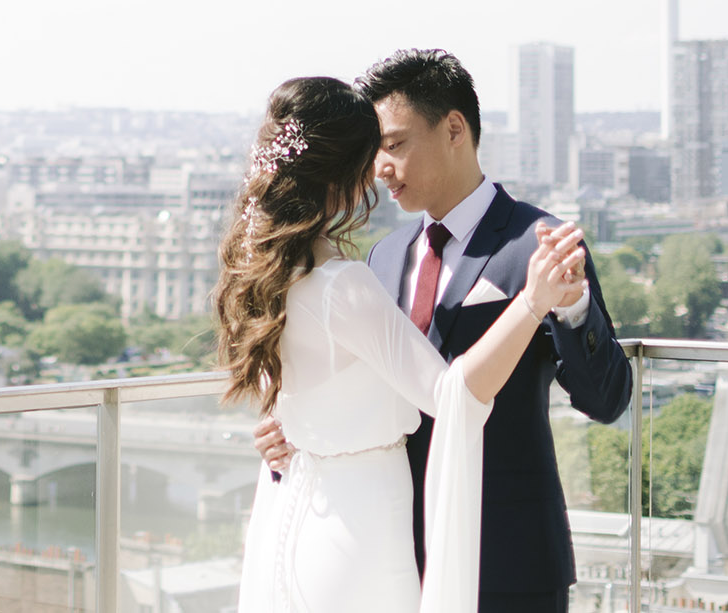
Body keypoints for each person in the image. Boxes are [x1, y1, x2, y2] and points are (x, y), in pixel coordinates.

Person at [251, 50, 633, 613]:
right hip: (391, 550)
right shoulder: (381, 258)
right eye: (375, 150)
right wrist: (291, 430)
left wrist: (572, 306)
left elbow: (607, 400)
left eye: (395, 144)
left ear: (455, 128)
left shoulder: (540, 245)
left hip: (505, 557)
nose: (381, 166)